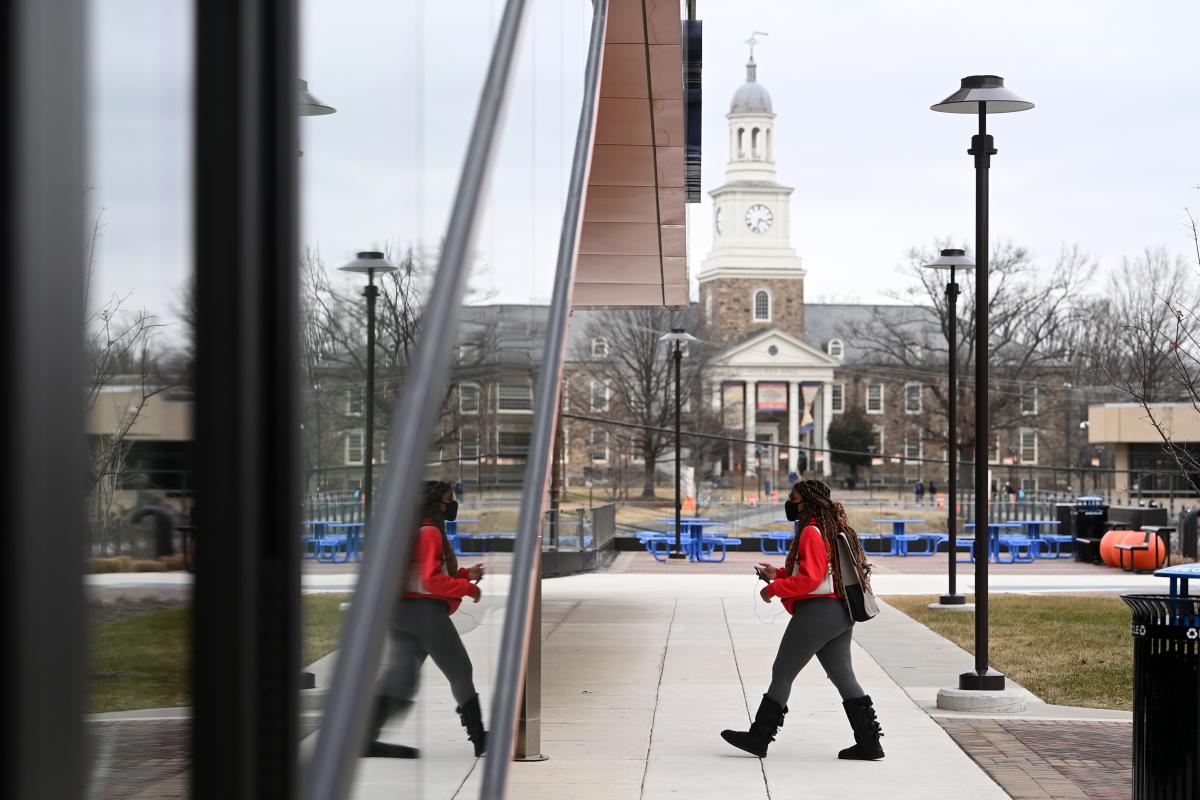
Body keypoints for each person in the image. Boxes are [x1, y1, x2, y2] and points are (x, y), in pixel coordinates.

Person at [720, 479, 884, 761]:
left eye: (793, 499)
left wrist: (773, 589)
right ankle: (870, 743)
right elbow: (821, 574)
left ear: (808, 502)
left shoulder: (810, 531)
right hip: (841, 611)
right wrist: (780, 574)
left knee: (782, 671)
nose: (790, 504)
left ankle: (759, 738)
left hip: (819, 611)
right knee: (844, 676)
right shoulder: (833, 527)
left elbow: (809, 580)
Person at [363, 480, 487, 759]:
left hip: (401, 610)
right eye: (448, 501)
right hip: (425, 612)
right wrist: (469, 588)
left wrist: (466, 574)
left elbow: (422, 572)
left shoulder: (413, 530)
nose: (451, 507)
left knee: (401, 677)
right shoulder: (430, 531)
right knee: (460, 670)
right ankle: (480, 738)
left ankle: (365, 736)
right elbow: (431, 581)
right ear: (435, 504)